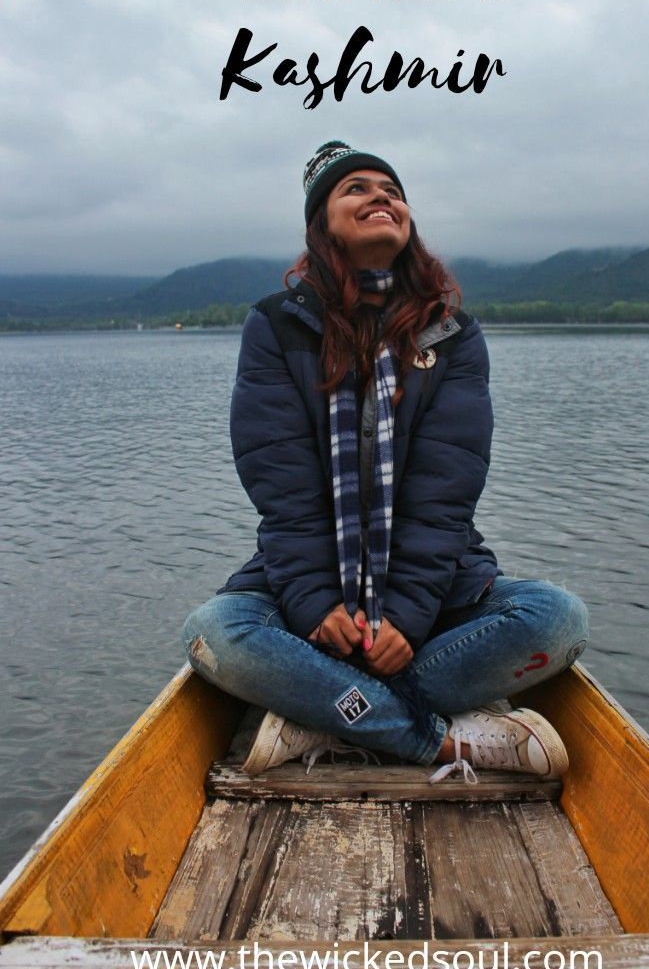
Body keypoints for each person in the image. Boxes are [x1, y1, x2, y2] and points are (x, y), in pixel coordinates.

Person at [182, 141, 589, 783]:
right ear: (323, 224)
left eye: (390, 189)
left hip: (432, 583)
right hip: (310, 577)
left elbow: (446, 489)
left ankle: (321, 707)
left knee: (558, 619)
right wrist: (315, 603)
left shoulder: (451, 334)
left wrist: (404, 613)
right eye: (357, 189)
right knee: (215, 631)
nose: (381, 197)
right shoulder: (276, 327)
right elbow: (281, 486)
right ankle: (432, 739)